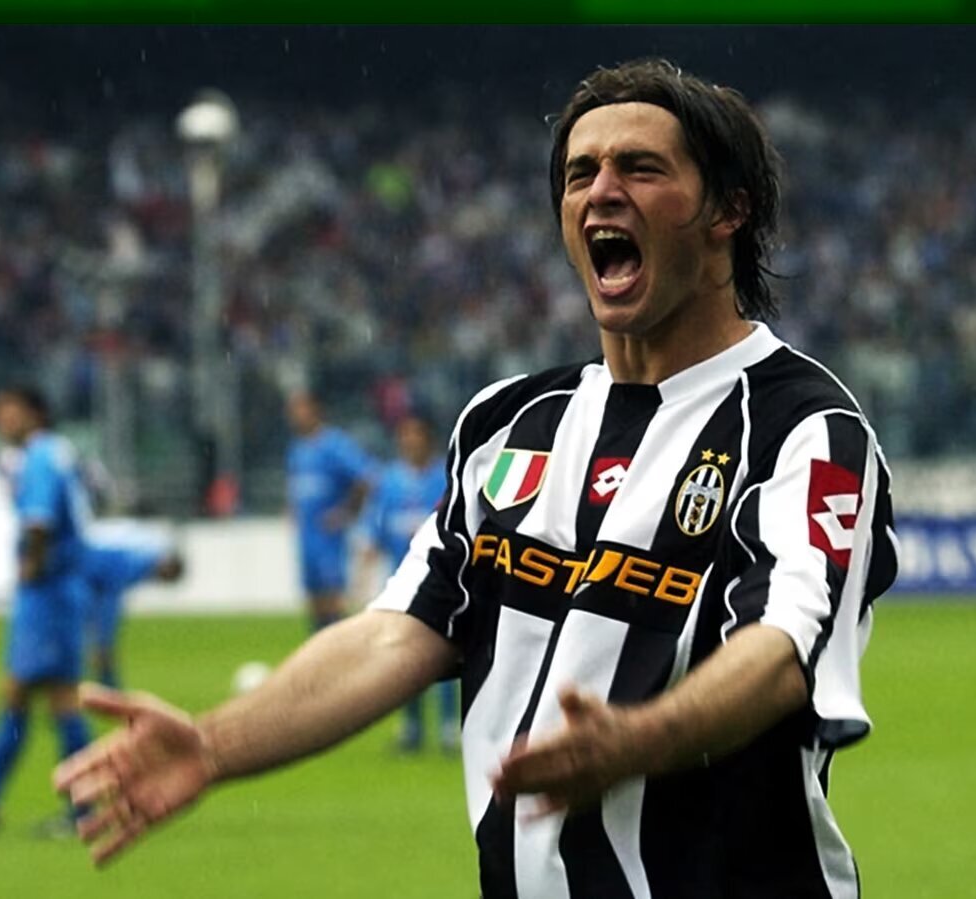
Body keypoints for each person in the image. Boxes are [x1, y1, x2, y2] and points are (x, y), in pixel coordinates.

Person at [55, 59, 898, 897]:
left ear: (728, 211)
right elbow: (397, 633)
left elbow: (783, 650)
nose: (601, 192)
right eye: (580, 173)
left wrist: (646, 735)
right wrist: (212, 744)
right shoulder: (508, 423)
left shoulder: (804, 429)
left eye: (640, 168)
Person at [0, 386, 94, 833]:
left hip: (48, 592)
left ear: (35, 413)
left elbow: (39, 520)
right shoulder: (54, 452)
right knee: (35, 696)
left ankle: (77, 810)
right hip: (59, 590)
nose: (1, 421)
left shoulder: (40, 456)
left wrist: (31, 566)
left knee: (47, 697)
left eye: (8, 411)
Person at [357, 413, 455, 753]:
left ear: (428, 439)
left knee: (441, 654)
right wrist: (364, 572)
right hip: (402, 584)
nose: (410, 441)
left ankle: (448, 726)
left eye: (416, 434)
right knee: (403, 656)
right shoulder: (389, 482)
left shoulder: (447, 478)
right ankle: (412, 727)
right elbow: (374, 530)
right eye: (405, 435)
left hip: (441, 581)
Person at [285, 391, 374, 631]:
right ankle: (319, 646)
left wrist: (346, 512)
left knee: (333, 598)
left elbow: (365, 479)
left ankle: (339, 647)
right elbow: (297, 488)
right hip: (307, 536)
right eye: (293, 411)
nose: (297, 416)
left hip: (329, 537)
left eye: (302, 409)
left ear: (316, 410)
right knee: (314, 598)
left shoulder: (335, 445)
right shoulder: (297, 449)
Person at [80, 534, 185, 689]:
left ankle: (103, 684)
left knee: (95, 646)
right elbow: (109, 598)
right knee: (98, 648)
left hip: (87, 585)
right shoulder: (137, 564)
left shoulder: (141, 559)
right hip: (82, 584)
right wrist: (104, 636)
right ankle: (106, 686)